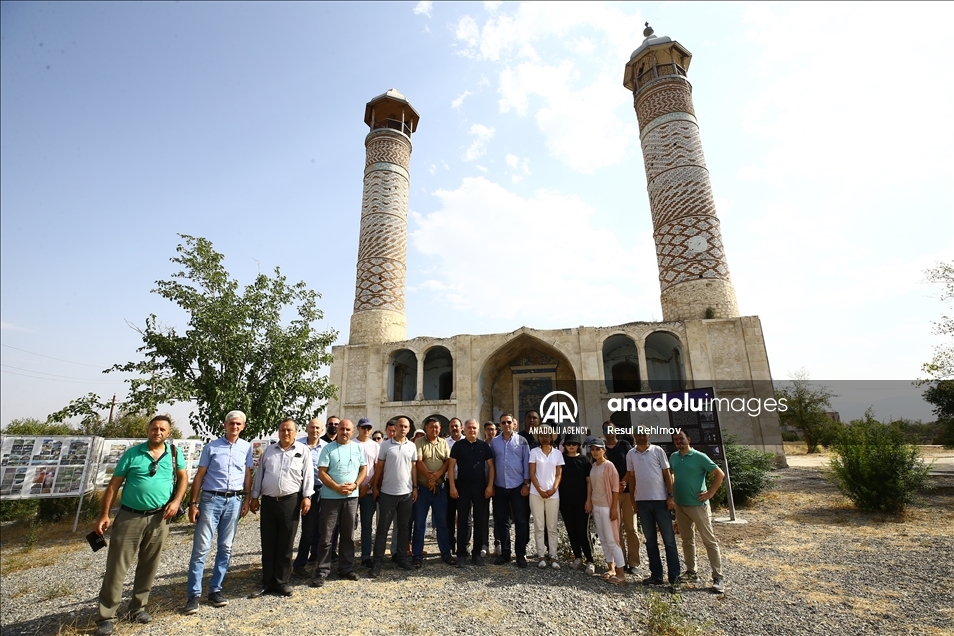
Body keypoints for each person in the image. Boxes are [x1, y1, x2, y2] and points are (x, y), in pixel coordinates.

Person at [93, 416, 187, 636]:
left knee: (149, 565)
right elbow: (113, 485)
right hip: (130, 517)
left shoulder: (175, 453)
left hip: (159, 518)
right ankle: (106, 616)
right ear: (148, 430)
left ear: (168, 433)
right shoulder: (132, 454)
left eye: (162, 429)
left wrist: (176, 502)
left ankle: (137, 609)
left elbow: (183, 478)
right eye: (154, 428)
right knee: (117, 567)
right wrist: (104, 514)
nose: (158, 432)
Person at [183, 411, 254, 615]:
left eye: (238, 424)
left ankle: (216, 590)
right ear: (225, 425)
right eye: (231, 423)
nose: (235, 426)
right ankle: (193, 595)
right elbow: (200, 476)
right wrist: (193, 503)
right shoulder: (211, 447)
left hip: (234, 501)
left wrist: (246, 500)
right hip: (211, 500)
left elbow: (247, 475)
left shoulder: (246, 447)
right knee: (201, 548)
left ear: (243, 427)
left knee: (226, 548)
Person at [248, 418, 314, 598]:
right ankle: (267, 581)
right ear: (278, 432)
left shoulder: (303, 451)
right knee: (268, 542)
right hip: (269, 502)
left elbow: (308, 475)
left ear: (296, 432)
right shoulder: (269, 451)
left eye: (289, 430)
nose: (286, 433)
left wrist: (307, 496)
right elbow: (260, 474)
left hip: (290, 501)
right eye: (283, 430)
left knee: (286, 543)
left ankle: (282, 582)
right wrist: (254, 497)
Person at [312, 420, 367, 586]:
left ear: (352, 431)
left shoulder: (358, 448)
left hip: (351, 497)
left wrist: (355, 485)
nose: (344, 432)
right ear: (337, 430)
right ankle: (322, 570)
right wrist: (336, 487)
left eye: (347, 429)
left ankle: (346, 568)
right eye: (341, 429)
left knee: (348, 535)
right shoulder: (328, 448)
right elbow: (322, 472)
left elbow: (363, 469)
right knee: (326, 536)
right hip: (330, 498)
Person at [670, 430, 726, 593]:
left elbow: (719, 474)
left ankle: (718, 577)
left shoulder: (699, 456)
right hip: (680, 505)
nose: (679, 441)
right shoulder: (673, 457)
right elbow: (671, 474)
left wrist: (710, 493)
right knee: (687, 540)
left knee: (709, 541)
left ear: (688, 439)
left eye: (681, 438)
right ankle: (691, 572)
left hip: (698, 506)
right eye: (676, 439)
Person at [625, 432, 679, 586]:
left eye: (644, 435)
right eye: (638, 435)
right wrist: (633, 499)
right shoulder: (631, 454)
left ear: (648, 436)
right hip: (642, 502)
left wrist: (671, 495)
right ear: (634, 436)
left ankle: (674, 578)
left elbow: (666, 473)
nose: (641, 437)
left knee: (669, 540)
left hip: (660, 500)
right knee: (650, 541)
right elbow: (631, 477)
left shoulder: (658, 451)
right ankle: (656, 575)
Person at [370, 417, 418, 577]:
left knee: (403, 528)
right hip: (387, 493)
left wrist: (415, 487)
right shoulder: (385, 445)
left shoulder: (412, 446)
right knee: (382, 529)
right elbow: (379, 467)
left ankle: (402, 559)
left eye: (406, 426)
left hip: (406, 493)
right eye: (400, 426)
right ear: (395, 428)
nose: (403, 429)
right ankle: (377, 562)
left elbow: (414, 468)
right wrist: (375, 486)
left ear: (409, 429)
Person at [448, 418, 495, 567]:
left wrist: (490, 486)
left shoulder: (484, 446)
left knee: (480, 521)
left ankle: (477, 554)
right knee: (463, 521)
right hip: (462, 487)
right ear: (464, 429)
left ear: (478, 429)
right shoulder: (458, 446)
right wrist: (452, 486)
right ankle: (462, 554)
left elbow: (491, 466)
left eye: (474, 428)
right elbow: (451, 466)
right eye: (469, 427)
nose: (472, 430)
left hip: (480, 487)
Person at [489, 414, 530, 568]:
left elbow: (526, 462)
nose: (506, 424)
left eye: (509, 422)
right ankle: (505, 553)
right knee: (501, 520)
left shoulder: (522, 441)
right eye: (503, 422)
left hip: (518, 486)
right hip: (500, 486)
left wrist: (526, 484)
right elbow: (491, 463)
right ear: (500, 425)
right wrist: (491, 484)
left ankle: (520, 554)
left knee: (521, 521)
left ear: (514, 424)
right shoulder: (494, 442)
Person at [413, 416, 453, 567]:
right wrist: (431, 477)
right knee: (420, 523)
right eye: (431, 427)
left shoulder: (443, 443)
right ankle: (417, 556)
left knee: (442, 523)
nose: (434, 429)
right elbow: (419, 461)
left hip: (440, 488)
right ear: (426, 428)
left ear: (440, 428)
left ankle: (446, 553)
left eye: (436, 427)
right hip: (423, 488)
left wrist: (437, 476)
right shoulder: (419, 442)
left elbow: (447, 461)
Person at [588, 439, 625, 584]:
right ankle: (611, 568)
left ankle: (621, 574)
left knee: (612, 540)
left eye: (598, 449)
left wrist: (614, 508)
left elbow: (615, 488)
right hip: (596, 506)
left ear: (604, 450)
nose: (595, 452)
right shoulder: (593, 466)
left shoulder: (609, 466)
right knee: (603, 539)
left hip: (607, 506)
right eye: (592, 449)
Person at [292, 418, 326, 577]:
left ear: (322, 430)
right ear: (306, 429)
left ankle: (303, 563)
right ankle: (288, 563)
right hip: (296, 490)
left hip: (317, 490)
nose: (315, 430)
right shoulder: (297, 445)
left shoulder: (326, 447)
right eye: (312, 427)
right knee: (291, 528)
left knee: (311, 528)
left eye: (318, 428)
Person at [605, 424, 639, 574]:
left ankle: (634, 562)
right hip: (611, 494)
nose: (609, 431)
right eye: (606, 429)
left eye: (611, 428)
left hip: (627, 492)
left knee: (631, 528)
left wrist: (623, 482)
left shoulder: (624, 445)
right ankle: (621, 561)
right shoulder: (602, 448)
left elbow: (631, 466)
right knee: (616, 529)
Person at [559, 434, 595, 575]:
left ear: (578, 445)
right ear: (565, 446)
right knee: (571, 530)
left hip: (582, 501)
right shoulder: (561, 459)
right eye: (569, 444)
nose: (571, 446)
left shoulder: (584, 460)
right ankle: (578, 557)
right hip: (565, 502)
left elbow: (589, 482)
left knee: (583, 531)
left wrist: (589, 500)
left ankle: (590, 560)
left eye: (574, 444)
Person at [529, 432, 564, 569]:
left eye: (547, 436)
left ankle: (553, 556)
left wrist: (554, 489)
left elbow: (559, 474)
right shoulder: (534, 452)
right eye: (541, 436)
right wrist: (539, 489)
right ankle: (541, 556)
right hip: (536, 493)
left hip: (553, 494)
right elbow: (532, 473)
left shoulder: (557, 453)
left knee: (552, 526)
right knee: (539, 526)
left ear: (551, 437)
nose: (544, 438)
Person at [354, 417, 379, 568]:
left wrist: (369, 486)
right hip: (352, 491)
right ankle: (346, 556)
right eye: (363, 427)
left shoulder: (375, 446)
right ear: (358, 428)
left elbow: (377, 469)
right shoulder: (351, 444)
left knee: (367, 525)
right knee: (348, 525)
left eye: (369, 428)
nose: (366, 430)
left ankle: (365, 556)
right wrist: (357, 486)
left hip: (368, 491)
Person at [445, 417, 464, 551]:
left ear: (461, 427)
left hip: (464, 482)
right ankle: (450, 544)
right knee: (449, 515)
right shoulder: (444, 443)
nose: (454, 428)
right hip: (449, 482)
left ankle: (464, 545)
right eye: (452, 426)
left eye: (456, 426)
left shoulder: (467, 441)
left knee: (464, 516)